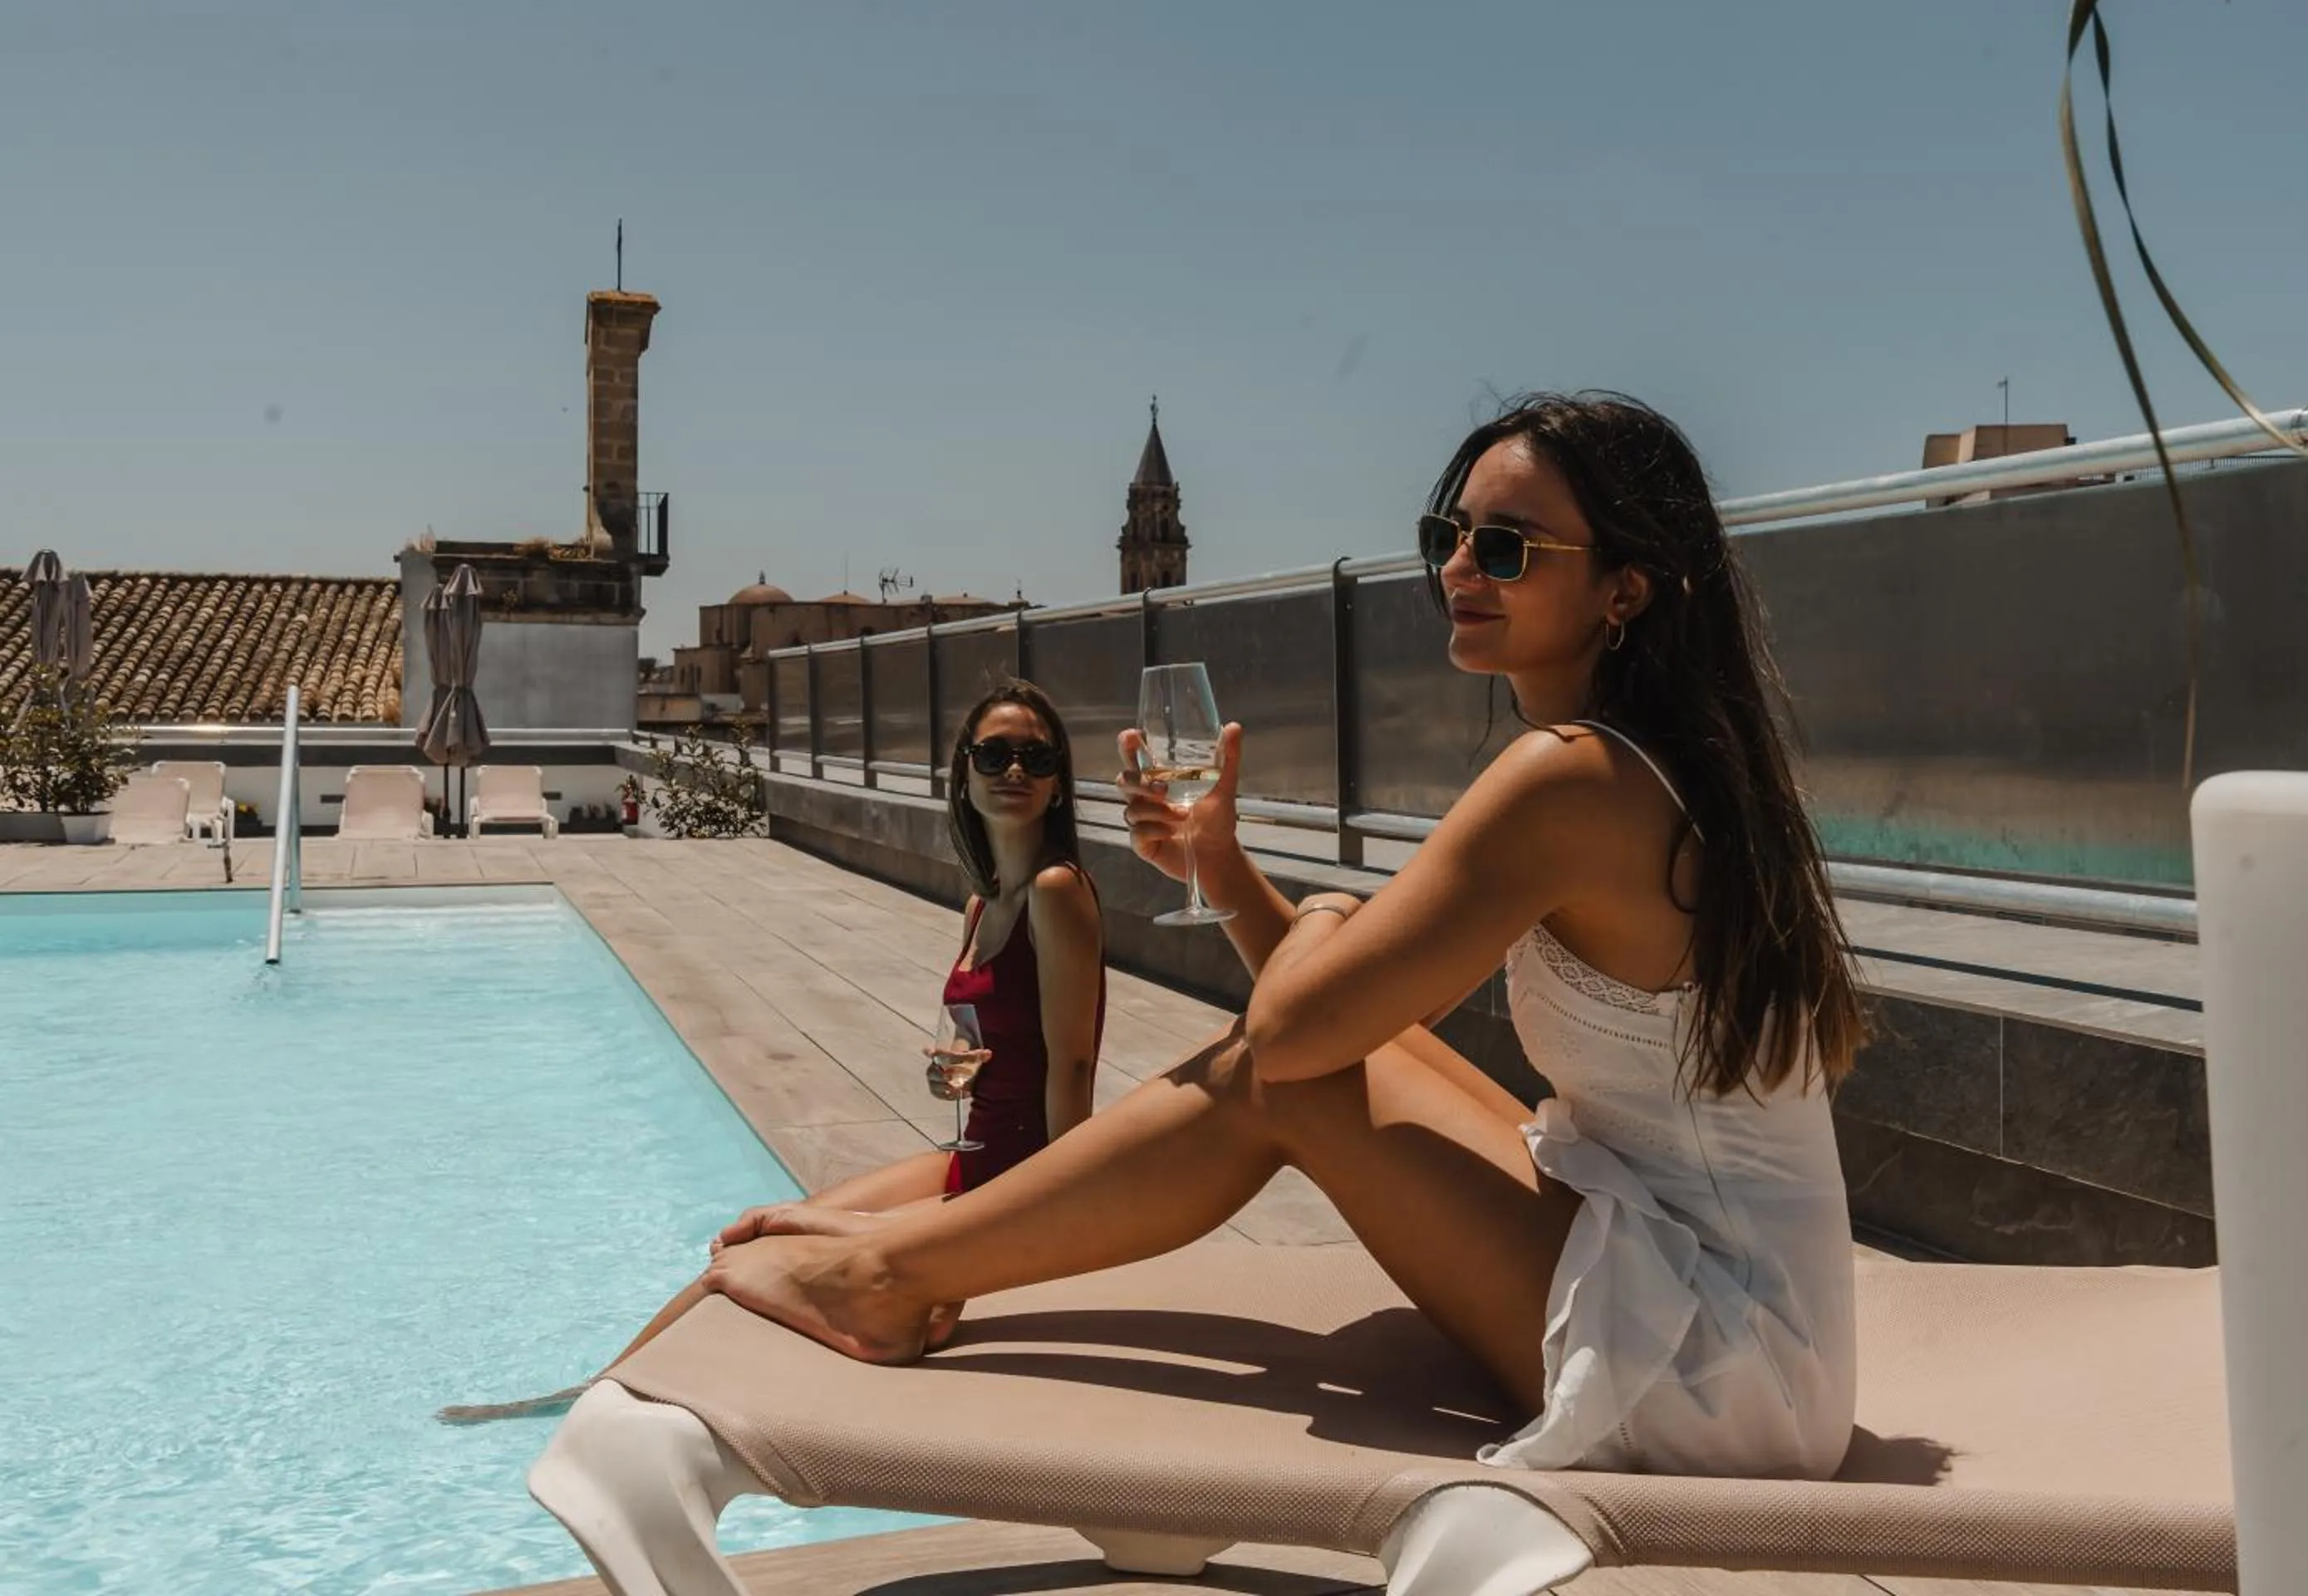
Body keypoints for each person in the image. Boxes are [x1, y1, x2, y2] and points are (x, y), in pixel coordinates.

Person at [691, 392, 1867, 1480]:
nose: (1459, 568)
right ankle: (918, 1247)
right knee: (1331, 1049)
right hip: (1719, 1295)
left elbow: (1296, 1038)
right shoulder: (1643, 761)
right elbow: (1354, 1021)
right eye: (1449, 535)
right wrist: (1226, 868)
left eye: (1507, 548)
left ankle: (887, 1273)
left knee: (1278, 1070)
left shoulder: (1571, 779)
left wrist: (1331, 915)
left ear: (1626, 588)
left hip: (1725, 1369)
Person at [437, 679, 1105, 1422]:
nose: (1014, 770)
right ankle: (607, 1384)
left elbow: (1074, 1066)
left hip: (1017, 1176)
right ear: (964, 772)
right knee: (761, 1226)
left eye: (1036, 757)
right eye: (994, 753)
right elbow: (993, 1035)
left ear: (1058, 783)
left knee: (754, 1261)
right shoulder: (985, 900)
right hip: (973, 1153)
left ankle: (599, 1397)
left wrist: (1055, 1219)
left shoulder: (1055, 890)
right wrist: (951, 1069)